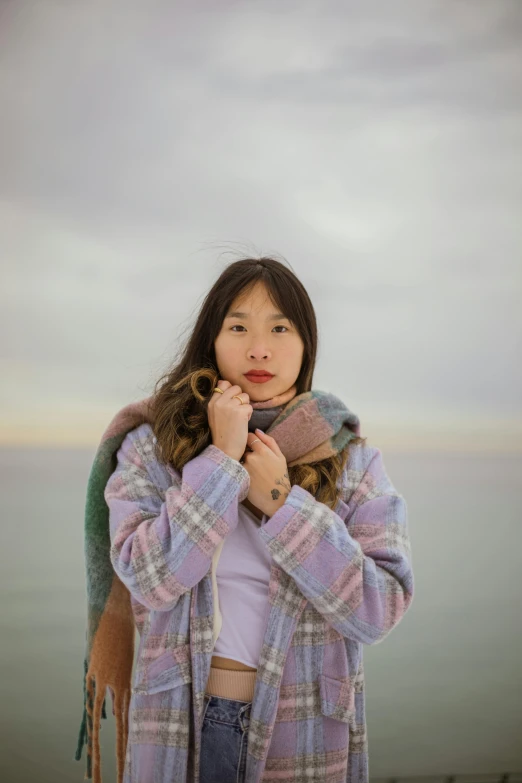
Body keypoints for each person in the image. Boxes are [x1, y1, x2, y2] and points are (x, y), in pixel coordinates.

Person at [76, 256, 414, 783]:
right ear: (212, 340)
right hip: (178, 717)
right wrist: (219, 462)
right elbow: (148, 578)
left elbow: (379, 607)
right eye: (238, 327)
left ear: (306, 347)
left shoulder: (351, 459)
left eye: (280, 327)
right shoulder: (152, 447)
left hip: (301, 726)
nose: (259, 348)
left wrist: (281, 499)